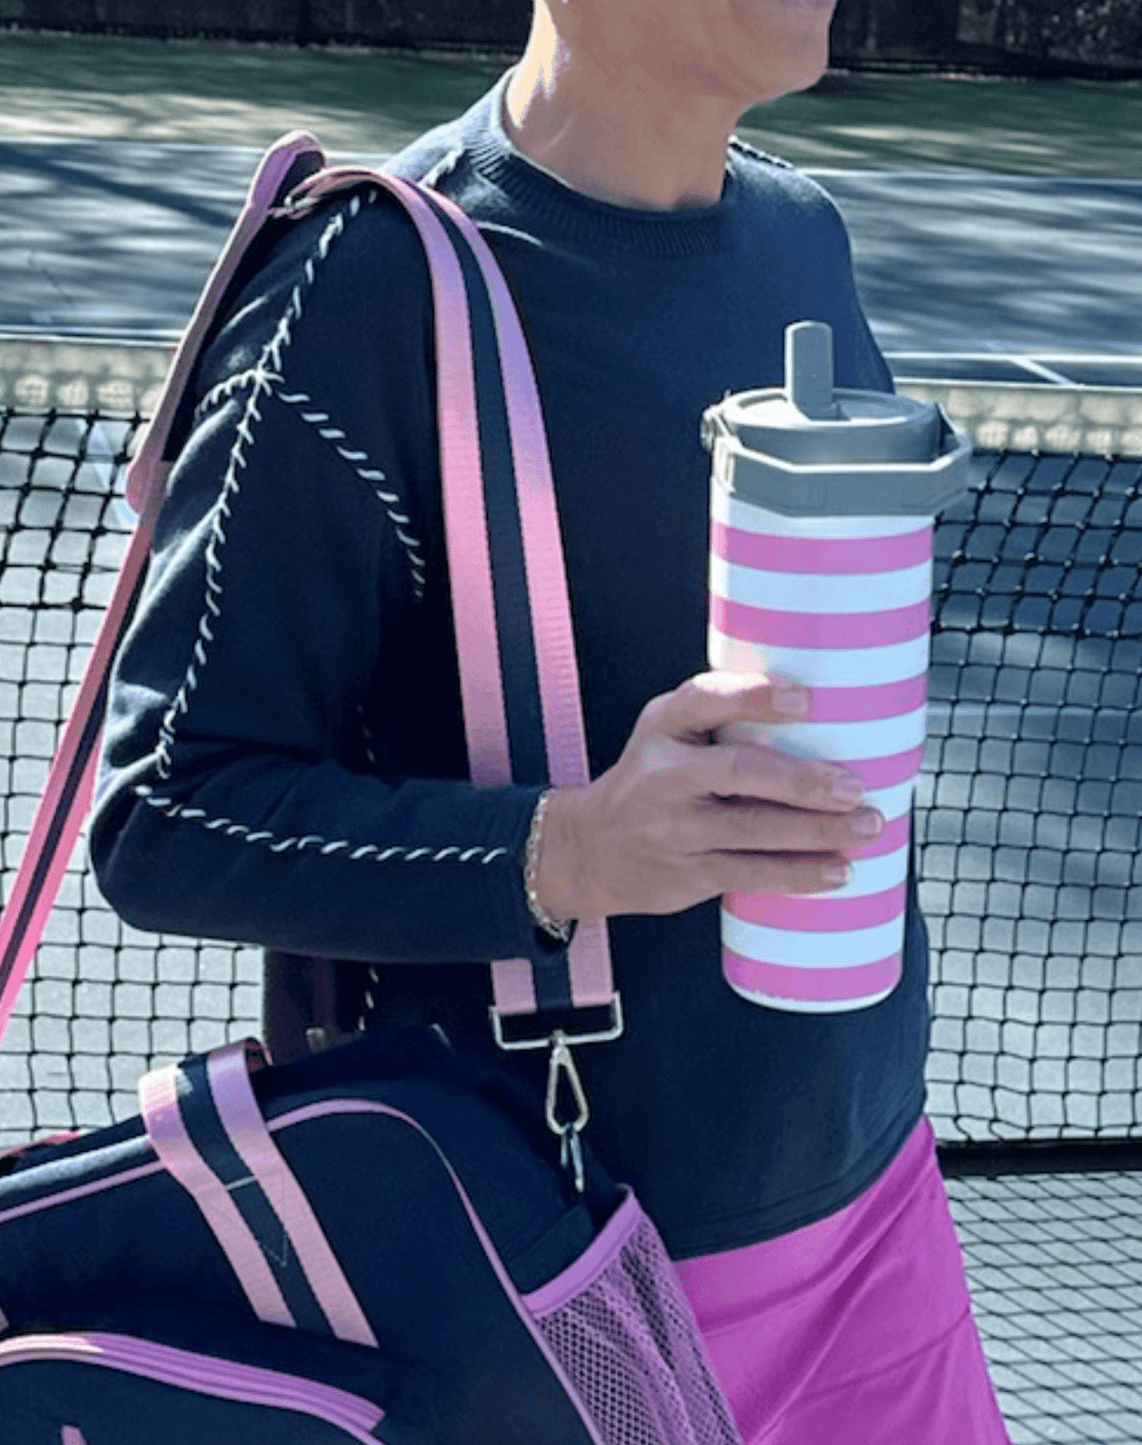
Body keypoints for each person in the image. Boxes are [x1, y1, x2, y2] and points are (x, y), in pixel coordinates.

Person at [91, 2, 1015, 1440]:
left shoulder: (802, 238)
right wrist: (566, 852)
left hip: (874, 1195)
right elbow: (165, 815)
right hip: (554, 1270)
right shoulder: (363, 286)